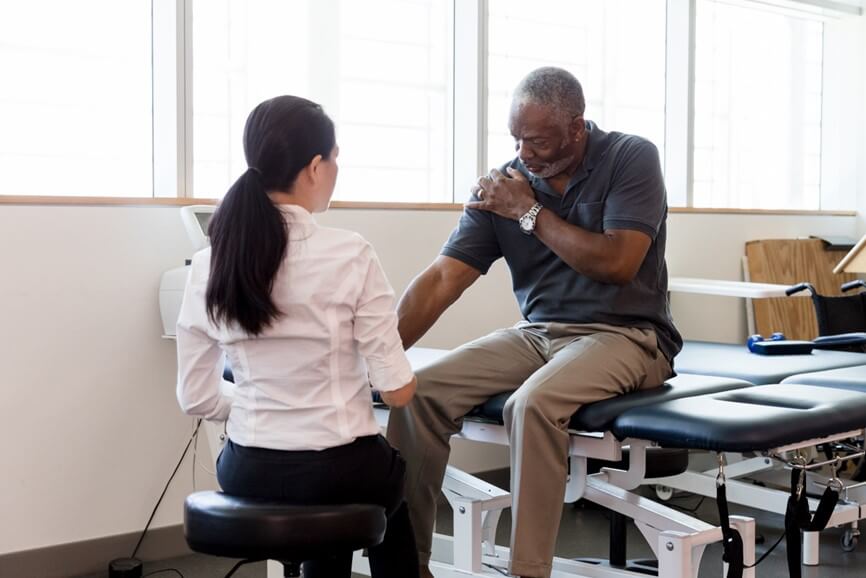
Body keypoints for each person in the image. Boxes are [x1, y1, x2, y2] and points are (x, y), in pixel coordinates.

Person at [387, 67, 683, 578]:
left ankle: (527, 571)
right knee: (420, 393)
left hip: (629, 336)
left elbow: (617, 263)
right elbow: (442, 279)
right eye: (516, 139)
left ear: (576, 127)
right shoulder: (505, 186)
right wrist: (382, 357)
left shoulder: (630, 157)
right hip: (540, 334)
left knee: (532, 405)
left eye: (538, 142)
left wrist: (529, 213)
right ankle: (404, 566)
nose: (523, 153)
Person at [175, 95, 419, 578]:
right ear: (314, 166)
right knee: (387, 490)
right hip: (342, 467)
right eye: (335, 159)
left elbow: (195, 397)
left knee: (342, 492)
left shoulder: (209, 262)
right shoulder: (350, 253)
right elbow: (397, 391)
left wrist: (258, 404)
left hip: (247, 468)